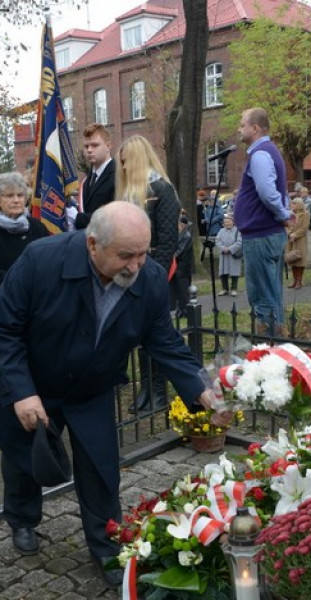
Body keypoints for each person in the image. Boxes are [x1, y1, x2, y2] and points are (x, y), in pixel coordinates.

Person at [0, 201, 227, 585]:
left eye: (143, 253)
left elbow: (163, 341)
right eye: (126, 255)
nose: (136, 265)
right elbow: (2, 328)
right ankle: (22, 519)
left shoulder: (148, 279)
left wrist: (202, 389)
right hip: (33, 384)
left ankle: (106, 547)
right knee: (26, 461)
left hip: (91, 387)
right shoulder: (41, 261)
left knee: (101, 468)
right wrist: (23, 392)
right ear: (92, 245)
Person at [115, 135, 181, 413]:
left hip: (155, 272)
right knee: (140, 335)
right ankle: (146, 388)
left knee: (158, 335)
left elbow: (167, 242)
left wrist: (154, 279)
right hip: (133, 272)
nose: (124, 167)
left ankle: (159, 391)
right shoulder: (130, 194)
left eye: (126, 161)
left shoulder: (162, 190)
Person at [232, 108, 291, 333]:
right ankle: (275, 344)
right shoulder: (269, 151)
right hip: (266, 234)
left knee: (262, 294)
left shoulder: (261, 154)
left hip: (261, 236)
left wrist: (283, 214)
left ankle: (268, 346)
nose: (239, 128)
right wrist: (283, 213)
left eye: (242, 124)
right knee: (271, 291)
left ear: (255, 128)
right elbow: (280, 190)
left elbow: (268, 192)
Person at [0, 171, 51, 297]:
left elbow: (49, 263)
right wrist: (25, 283)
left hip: (36, 304)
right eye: (9, 196)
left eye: (20, 195)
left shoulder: (37, 227)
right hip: (1, 304)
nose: (16, 200)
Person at [75, 123, 115, 231]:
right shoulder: (88, 179)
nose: (89, 150)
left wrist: (77, 218)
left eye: (95, 145)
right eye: (86, 146)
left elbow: (114, 217)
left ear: (108, 146)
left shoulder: (119, 175)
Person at [170, 214, 194, 317]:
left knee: (183, 290)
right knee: (176, 289)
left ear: (182, 225)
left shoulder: (186, 236)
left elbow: (179, 251)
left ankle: (185, 311)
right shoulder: (177, 235)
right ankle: (178, 310)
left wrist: (171, 254)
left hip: (183, 267)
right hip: (176, 267)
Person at [216, 214, 242, 295]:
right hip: (223, 254)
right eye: (225, 222)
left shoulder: (238, 230)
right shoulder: (221, 231)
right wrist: (223, 248)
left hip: (233, 254)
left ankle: (234, 289)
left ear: (233, 222)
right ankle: (225, 289)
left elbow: (239, 242)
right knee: (223, 271)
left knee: (234, 271)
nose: (227, 223)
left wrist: (230, 249)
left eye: (228, 222)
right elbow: (217, 241)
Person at [285, 197, 309, 289]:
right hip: (290, 240)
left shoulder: (305, 214)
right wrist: (289, 233)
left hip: (300, 240)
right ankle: (294, 280)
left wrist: (295, 234)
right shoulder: (290, 215)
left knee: (300, 260)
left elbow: (304, 228)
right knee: (292, 259)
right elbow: (286, 225)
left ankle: (299, 280)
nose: (292, 206)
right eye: (292, 204)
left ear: (299, 205)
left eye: (294, 204)